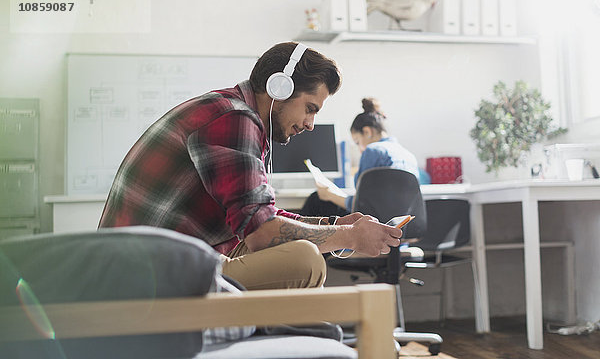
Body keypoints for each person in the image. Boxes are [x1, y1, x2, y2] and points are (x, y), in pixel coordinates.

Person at [98, 42, 403, 291]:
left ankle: (290, 341)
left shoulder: (236, 113)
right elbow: (261, 233)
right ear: (279, 89)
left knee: (296, 254)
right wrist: (350, 236)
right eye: (310, 109)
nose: (311, 125)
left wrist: (335, 226)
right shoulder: (234, 118)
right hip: (146, 278)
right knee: (303, 261)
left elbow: (260, 218)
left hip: (167, 263)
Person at [301, 97, 420, 217]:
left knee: (316, 199)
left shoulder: (373, 151)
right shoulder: (408, 156)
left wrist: (330, 194)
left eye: (357, 142)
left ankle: (296, 234)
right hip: (401, 222)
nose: (359, 149)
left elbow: (362, 204)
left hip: (374, 221)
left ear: (367, 132)